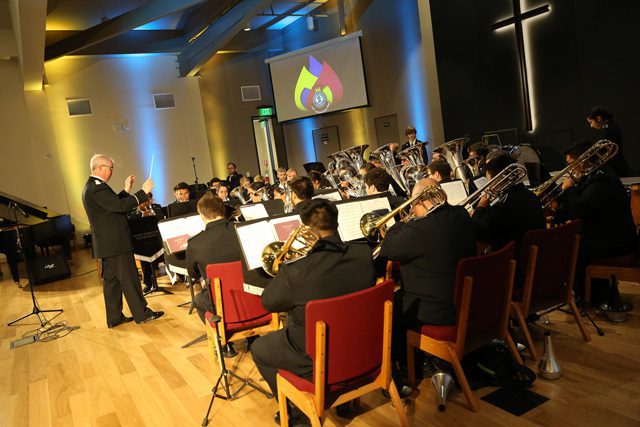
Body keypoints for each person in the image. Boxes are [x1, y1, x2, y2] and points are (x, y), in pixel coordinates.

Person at [251, 199, 375, 422]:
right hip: (364, 348)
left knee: (259, 348)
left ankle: (298, 413)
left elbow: (269, 302)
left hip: (316, 358)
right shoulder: (364, 254)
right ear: (337, 223)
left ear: (306, 229)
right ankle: (344, 403)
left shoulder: (297, 269)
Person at [379, 178, 476, 387]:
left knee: (385, 308)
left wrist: (399, 224)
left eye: (413, 203)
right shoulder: (461, 214)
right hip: (464, 302)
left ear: (421, 201)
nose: (412, 209)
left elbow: (388, 249)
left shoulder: (420, 229)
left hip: (437, 310)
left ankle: (405, 370)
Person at [81, 154, 163, 327]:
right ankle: (142, 314)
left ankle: (114, 318)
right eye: (110, 168)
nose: (112, 171)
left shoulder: (92, 186)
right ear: (100, 168)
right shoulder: (97, 188)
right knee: (130, 279)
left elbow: (112, 204)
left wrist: (126, 190)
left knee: (112, 283)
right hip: (116, 243)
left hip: (108, 244)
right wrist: (143, 192)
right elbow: (119, 206)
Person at [185, 193, 272, 355]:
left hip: (223, 301)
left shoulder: (195, 243)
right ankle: (253, 337)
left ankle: (223, 342)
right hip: (256, 295)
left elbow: (192, 273)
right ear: (223, 210)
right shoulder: (245, 230)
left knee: (198, 300)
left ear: (202, 215)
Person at [556, 141, 636, 302]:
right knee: (571, 242)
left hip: (616, 241)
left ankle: (590, 296)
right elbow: (577, 206)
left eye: (571, 164)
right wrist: (557, 213)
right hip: (603, 235)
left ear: (584, 161)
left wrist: (569, 189)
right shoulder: (591, 177)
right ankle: (592, 293)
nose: (570, 169)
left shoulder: (601, 179)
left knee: (571, 246)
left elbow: (581, 210)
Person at [471, 153, 545, 254]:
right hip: (536, 253)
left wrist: (480, 207)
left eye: (488, 180)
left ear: (498, 179)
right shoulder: (529, 194)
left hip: (513, 259)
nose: (488, 185)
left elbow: (477, 232)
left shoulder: (504, 204)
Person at [586, 107, 630, 177]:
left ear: (598, 118)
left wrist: (588, 158)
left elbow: (605, 149)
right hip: (615, 167)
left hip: (616, 169)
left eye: (591, 122)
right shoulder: (609, 127)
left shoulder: (610, 129)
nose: (591, 126)